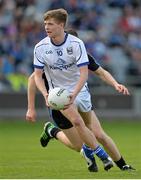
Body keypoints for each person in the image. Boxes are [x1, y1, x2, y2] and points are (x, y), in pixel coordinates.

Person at [27, 21, 134, 172]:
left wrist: (116, 84)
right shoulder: (49, 57)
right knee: (78, 146)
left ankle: (123, 165)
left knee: (99, 135)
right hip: (60, 103)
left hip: (79, 98)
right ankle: (53, 131)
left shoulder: (82, 55)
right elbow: (32, 80)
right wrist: (31, 107)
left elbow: (101, 72)